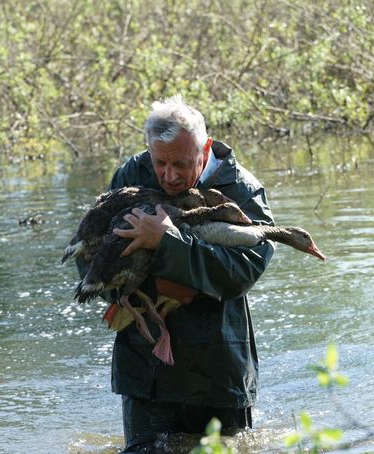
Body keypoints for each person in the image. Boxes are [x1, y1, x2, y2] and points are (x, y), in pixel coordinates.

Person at [79, 95, 275, 453]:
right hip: (145, 367)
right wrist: (121, 292)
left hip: (218, 368)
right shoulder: (131, 174)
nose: (169, 175)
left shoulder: (243, 190)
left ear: (206, 149)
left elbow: (244, 270)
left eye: (181, 164)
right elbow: (92, 249)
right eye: (160, 163)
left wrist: (166, 243)